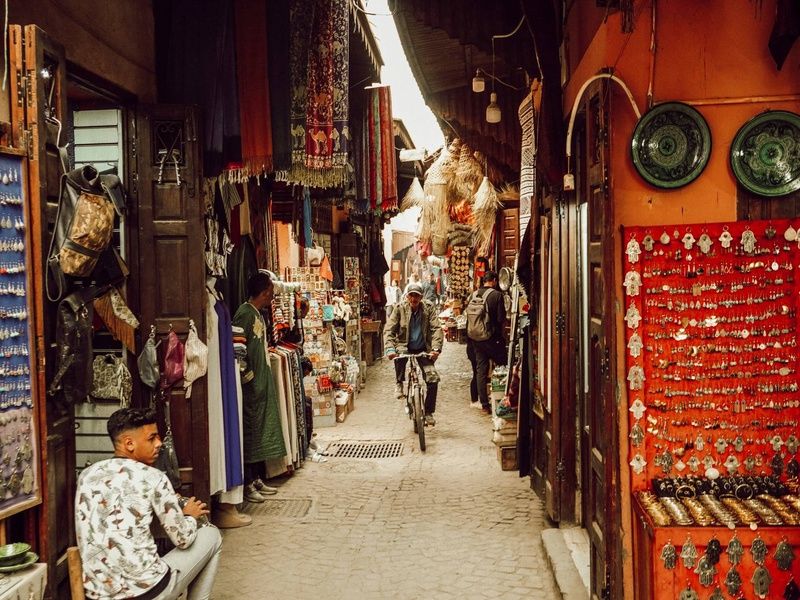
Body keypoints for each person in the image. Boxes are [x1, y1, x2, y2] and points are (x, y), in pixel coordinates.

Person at [76, 408, 222, 600]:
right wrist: (189, 516)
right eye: (151, 438)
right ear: (129, 443)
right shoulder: (154, 477)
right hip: (147, 593)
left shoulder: (87, 475)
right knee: (212, 535)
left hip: (98, 595)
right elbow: (183, 538)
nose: (159, 443)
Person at [232, 272, 286, 503]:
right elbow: (238, 350)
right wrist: (248, 377)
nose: (272, 297)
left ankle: (255, 478)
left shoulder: (256, 314)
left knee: (259, 431)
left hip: (260, 382)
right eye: (271, 293)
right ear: (264, 292)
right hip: (252, 384)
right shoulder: (244, 314)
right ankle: (247, 484)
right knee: (251, 432)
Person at [384, 282, 443, 426]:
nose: (414, 299)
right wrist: (390, 349)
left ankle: (428, 412)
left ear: (421, 297)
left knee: (432, 379)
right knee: (398, 355)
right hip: (405, 346)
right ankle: (399, 383)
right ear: (407, 297)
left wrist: (436, 348)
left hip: (424, 348)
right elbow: (389, 330)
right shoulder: (399, 309)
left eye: (417, 296)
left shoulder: (428, 308)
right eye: (411, 295)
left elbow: (436, 329)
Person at [467, 271, 507, 413]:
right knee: (503, 366)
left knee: (481, 370)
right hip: (492, 338)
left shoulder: (473, 295)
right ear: (495, 281)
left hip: (476, 339)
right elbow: (501, 319)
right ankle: (503, 398)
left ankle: (484, 404)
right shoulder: (496, 295)